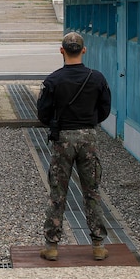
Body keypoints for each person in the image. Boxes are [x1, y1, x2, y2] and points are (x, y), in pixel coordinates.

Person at [36, 31, 112, 261]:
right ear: (84, 50)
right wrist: (88, 121)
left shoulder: (53, 81)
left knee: (58, 192)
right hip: (88, 138)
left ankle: (51, 246)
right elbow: (105, 109)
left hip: (63, 140)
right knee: (92, 191)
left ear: (62, 51)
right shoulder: (97, 78)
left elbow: (43, 113)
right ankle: (98, 245)